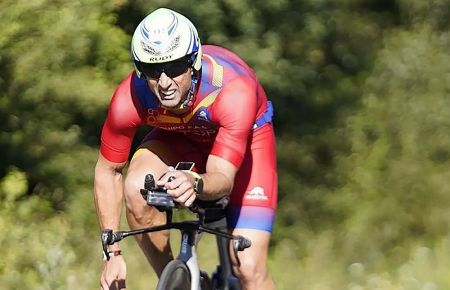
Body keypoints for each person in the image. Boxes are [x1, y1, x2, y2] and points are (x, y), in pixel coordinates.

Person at [94, 7, 277, 290]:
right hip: (180, 136)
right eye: (153, 71)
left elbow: (223, 178)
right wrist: (112, 253)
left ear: (194, 61)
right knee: (136, 187)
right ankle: (179, 281)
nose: (164, 82)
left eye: (175, 67)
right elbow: (108, 171)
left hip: (246, 143)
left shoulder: (232, 89)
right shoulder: (131, 95)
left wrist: (196, 182)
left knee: (249, 267)